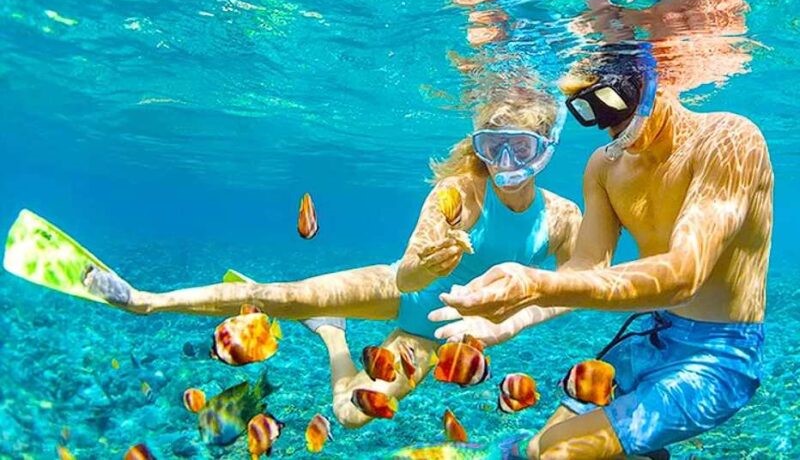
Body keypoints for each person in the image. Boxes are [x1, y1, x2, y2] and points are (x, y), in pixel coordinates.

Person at [83, 83, 583, 429]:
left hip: (432, 337)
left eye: (520, 148)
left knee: (351, 415)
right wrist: (428, 264)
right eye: (492, 147)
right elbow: (408, 278)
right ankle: (146, 300)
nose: (504, 163)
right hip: (396, 289)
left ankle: (331, 333)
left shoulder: (562, 217)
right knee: (278, 296)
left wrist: (512, 321)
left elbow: (578, 287)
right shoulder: (459, 193)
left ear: (546, 149)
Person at [430, 43, 772, 459]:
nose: (608, 126)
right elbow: (587, 265)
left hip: (719, 355)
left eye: (613, 103)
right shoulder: (604, 166)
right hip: (651, 334)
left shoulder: (729, 139)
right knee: (535, 449)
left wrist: (537, 286)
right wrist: (513, 320)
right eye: (589, 110)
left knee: (560, 453)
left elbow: (685, 274)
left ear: (653, 80)